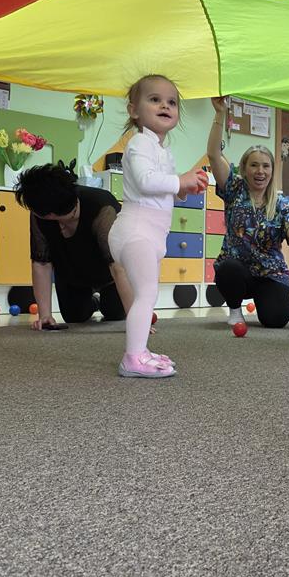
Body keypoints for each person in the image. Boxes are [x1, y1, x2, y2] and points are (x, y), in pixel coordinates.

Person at [108, 74, 207, 377]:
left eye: (172, 102)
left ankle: (140, 349)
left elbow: (161, 187)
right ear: (134, 110)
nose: (165, 105)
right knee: (146, 294)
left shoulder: (164, 150)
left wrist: (182, 188)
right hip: (136, 230)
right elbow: (145, 181)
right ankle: (133, 358)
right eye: (155, 99)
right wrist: (180, 181)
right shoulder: (139, 143)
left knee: (146, 292)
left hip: (150, 231)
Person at [206, 97, 289, 329]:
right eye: (254, 165)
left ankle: (270, 301)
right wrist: (220, 114)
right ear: (244, 169)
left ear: (272, 169)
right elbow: (213, 155)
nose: (260, 171)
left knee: (275, 320)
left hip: (270, 273)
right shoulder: (234, 189)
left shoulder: (280, 202)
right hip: (238, 271)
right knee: (228, 268)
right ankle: (235, 309)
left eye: (265, 166)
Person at [14, 162, 134, 328]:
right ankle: (93, 302)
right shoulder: (40, 213)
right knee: (75, 316)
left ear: (50, 213)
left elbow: (118, 266)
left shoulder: (102, 208)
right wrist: (45, 315)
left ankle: (105, 300)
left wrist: (137, 320)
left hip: (109, 276)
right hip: (71, 274)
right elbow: (41, 262)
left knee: (115, 314)